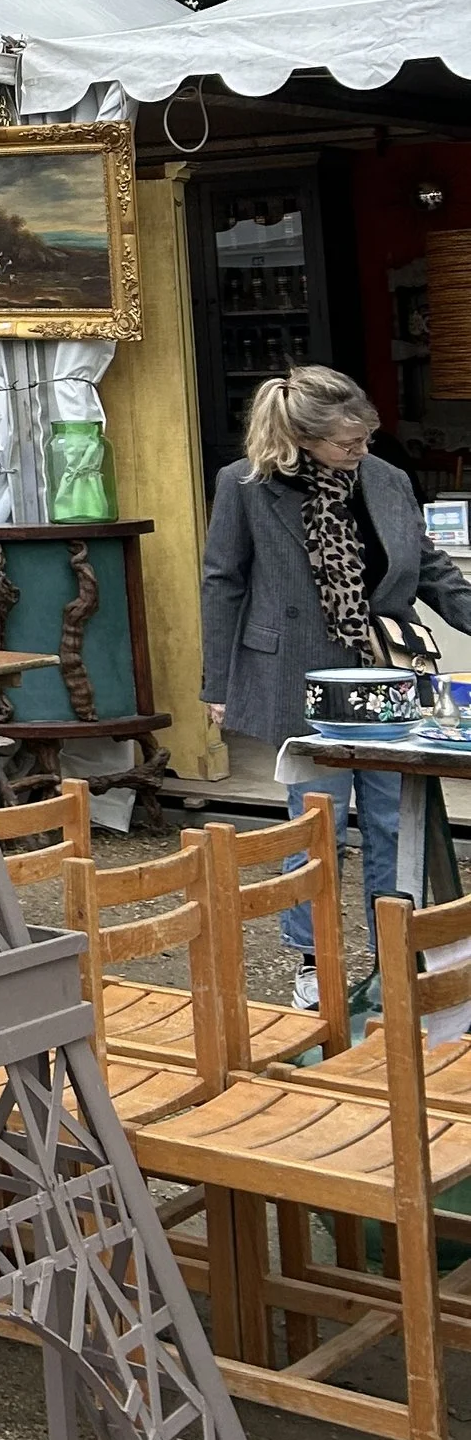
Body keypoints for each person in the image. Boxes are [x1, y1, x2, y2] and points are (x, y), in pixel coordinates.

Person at [200, 363, 471, 1007]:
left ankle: (393, 955)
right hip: (298, 673)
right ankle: (312, 959)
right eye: (348, 444)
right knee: (317, 825)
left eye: (366, 440)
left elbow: (428, 566)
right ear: (302, 436)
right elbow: (223, 582)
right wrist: (218, 681)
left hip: (384, 673)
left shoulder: (387, 479)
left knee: (390, 820)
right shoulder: (244, 485)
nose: (361, 453)